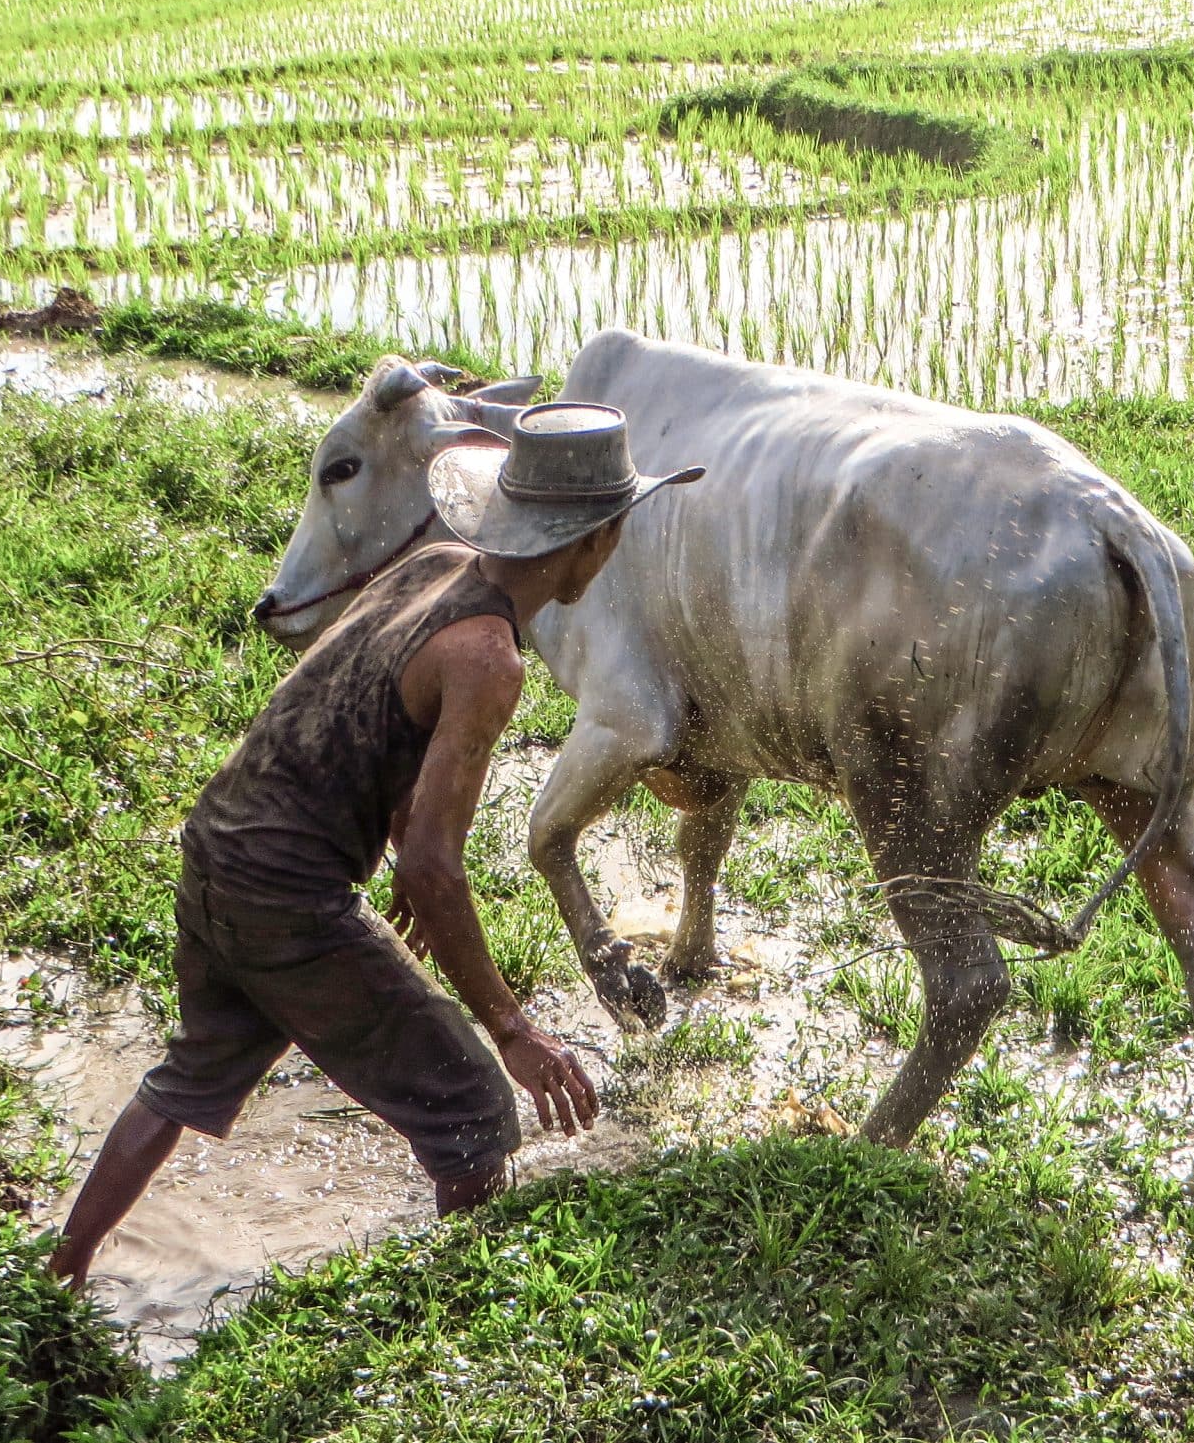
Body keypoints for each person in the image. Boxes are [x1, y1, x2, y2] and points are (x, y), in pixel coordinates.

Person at [49, 403, 705, 1290]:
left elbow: (368, 707)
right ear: (592, 538)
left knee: (190, 1074)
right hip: (288, 893)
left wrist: (398, 836)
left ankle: (61, 1271)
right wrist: (513, 1028)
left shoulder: (436, 565)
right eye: (616, 530)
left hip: (216, 848)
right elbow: (434, 866)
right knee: (472, 1107)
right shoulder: (488, 659)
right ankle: (450, 1313)